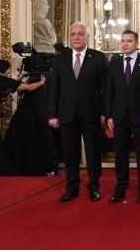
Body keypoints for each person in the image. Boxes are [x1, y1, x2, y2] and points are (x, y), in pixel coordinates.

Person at [47, 22, 107, 202]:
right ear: (70, 37)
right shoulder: (60, 59)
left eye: (81, 34)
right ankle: (72, 188)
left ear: (87, 36)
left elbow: (106, 89)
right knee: (70, 153)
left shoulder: (98, 57)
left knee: (93, 153)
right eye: (73, 34)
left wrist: (105, 112)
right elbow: (53, 89)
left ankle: (94, 188)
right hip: (66, 113)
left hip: (91, 113)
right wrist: (52, 114)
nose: (77, 37)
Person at [105, 30, 140, 203]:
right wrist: (109, 115)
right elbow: (109, 91)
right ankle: (120, 188)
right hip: (119, 116)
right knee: (120, 154)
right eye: (123, 41)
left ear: (137, 43)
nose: (125, 44)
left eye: (129, 41)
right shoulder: (114, 64)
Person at [0, 59, 44, 175]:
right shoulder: (5, 80)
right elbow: (28, 87)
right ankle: (4, 174)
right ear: (6, 71)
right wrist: (41, 82)